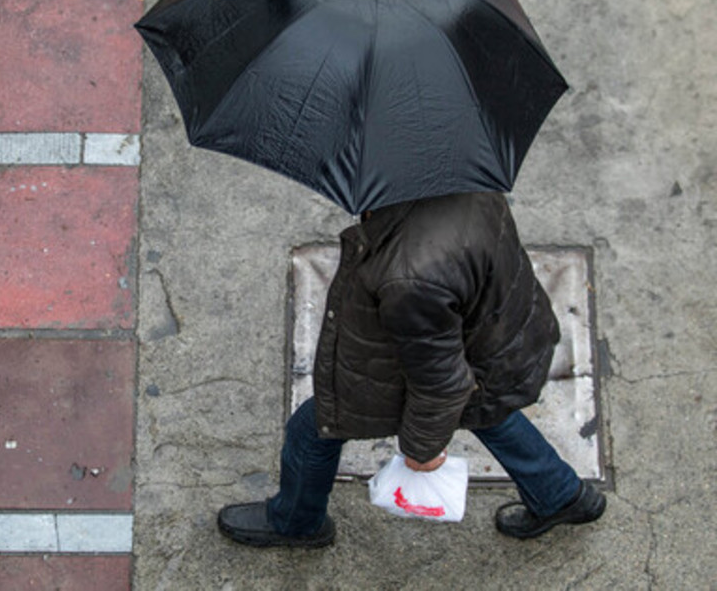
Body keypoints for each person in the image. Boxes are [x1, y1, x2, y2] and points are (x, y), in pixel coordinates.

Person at [218, 192, 605, 547]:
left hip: (452, 354)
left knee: (312, 430)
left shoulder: (409, 274)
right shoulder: (473, 184)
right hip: (493, 340)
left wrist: (422, 448)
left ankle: (295, 524)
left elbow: (443, 383)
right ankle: (560, 496)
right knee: (486, 407)